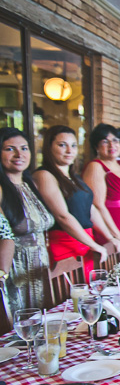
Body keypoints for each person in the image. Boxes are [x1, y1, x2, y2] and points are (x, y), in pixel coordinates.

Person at [33, 125, 120, 279]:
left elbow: (91, 209)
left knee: (91, 292)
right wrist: (94, 245)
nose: (69, 151)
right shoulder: (44, 175)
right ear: (49, 147)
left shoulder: (74, 177)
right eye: (62, 145)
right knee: (72, 296)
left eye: (73, 145)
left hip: (86, 242)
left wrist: (111, 238)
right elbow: (63, 216)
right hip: (65, 244)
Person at [0, 127, 54, 313]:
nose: (19, 154)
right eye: (9, 149)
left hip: (40, 267)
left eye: (24, 148)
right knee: (21, 329)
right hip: (15, 271)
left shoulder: (30, 184)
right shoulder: (1, 189)